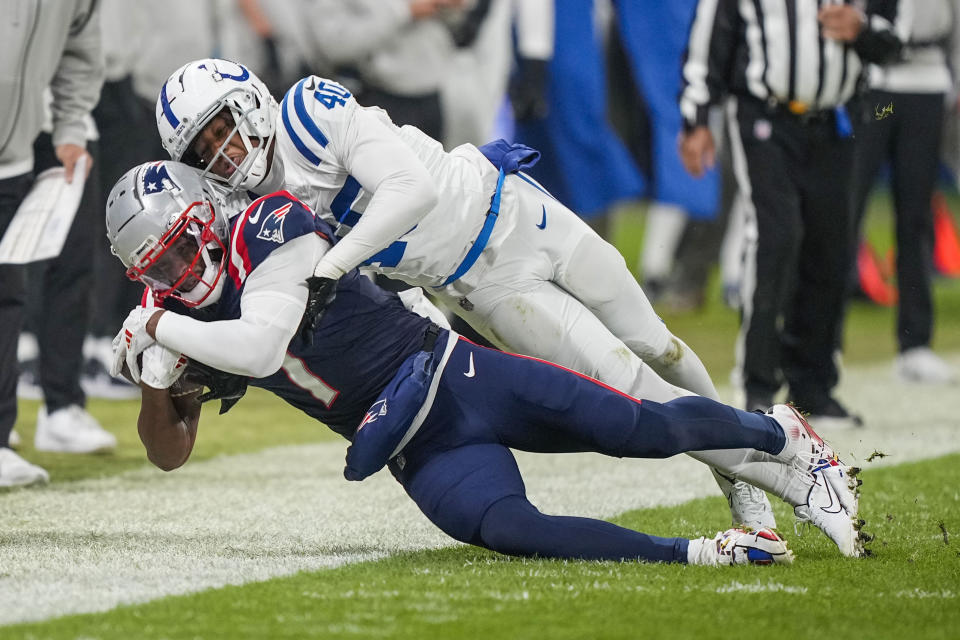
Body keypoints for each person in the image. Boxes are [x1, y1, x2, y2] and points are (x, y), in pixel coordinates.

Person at [104, 160, 868, 562]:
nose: (179, 276)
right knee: (505, 528)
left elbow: (261, 343)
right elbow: (169, 452)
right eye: (159, 271)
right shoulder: (184, 317)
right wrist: (153, 381)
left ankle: (781, 436)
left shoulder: (269, 225)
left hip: (453, 376)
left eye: (178, 249)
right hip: (409, 447)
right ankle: (709, 553)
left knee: (637, 426)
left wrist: (159, 334)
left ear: (205, 213)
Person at [153, 58, 780, 530]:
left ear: (252, 104)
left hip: (516, 211)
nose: (224, 153)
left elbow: (409, 189)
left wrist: (331, 265)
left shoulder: (306, 115)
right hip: (478, 285)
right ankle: (772, 471)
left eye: (223, 128)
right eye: (202, 149)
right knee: (633, 383)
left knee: (657, 343)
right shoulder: (254, 216)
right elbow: (368, 297)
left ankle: (744, 460)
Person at [679, 0, 904, 428]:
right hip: (765, 118)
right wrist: (697, 118)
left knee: (831, 247)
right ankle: (757, 385)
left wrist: (862, 28)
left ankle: (813, 388)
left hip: (836, 120)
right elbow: (709, 35)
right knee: (776, 237)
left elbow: (896, 41)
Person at [0, 0, 107, 486]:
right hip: (18, 142)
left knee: (10, 289)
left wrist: (69, 126)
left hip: (16, 152)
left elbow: (79, 47)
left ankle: (8, 435)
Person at [849, 0, 959, 385]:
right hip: (877, 88)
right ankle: (821, 344)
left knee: (916, 215)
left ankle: (915, 344)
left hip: (928, 84)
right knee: (847, 210)